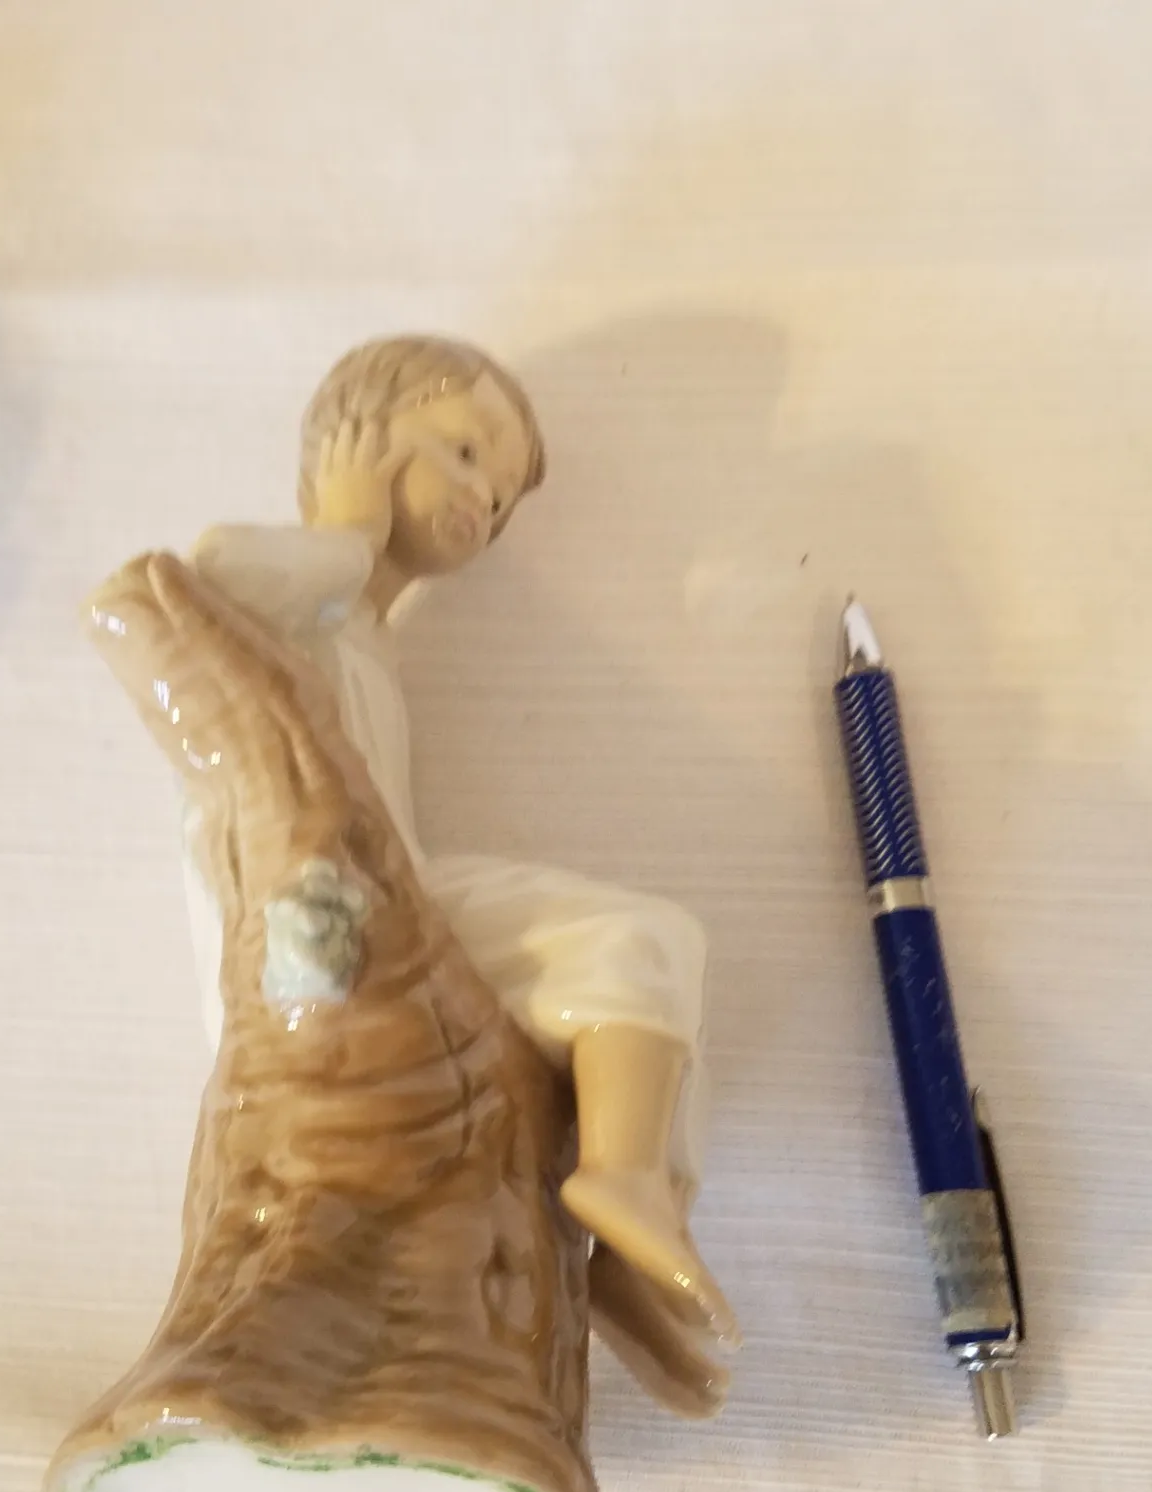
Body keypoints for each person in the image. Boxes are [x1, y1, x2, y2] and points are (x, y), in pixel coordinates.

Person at [178, 335, 736, 1379]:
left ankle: (634, 1214)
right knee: (640, 940)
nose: (484, 497)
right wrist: (347, 525)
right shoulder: (305, 590)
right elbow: (215, 579)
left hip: (383, 902)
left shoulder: (363, 634)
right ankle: (623, 1182)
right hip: (311, 924)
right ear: (355, 436)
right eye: (467, 451)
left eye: (503, 494)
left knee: (657, 965)